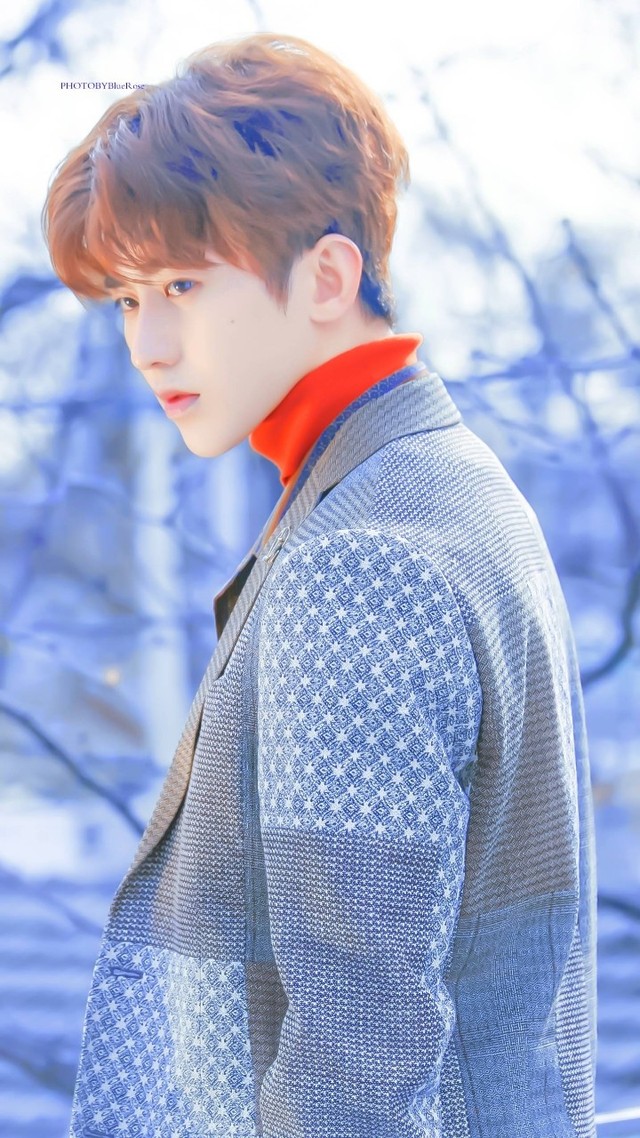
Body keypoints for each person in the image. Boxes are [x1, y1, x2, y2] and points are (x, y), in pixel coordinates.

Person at [42, 30, 598, 1138]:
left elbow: (358, 1048)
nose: (147, 343)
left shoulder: (362, 557)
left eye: (183, 284)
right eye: (128, 298)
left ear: (328, 278)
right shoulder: (444, 475)